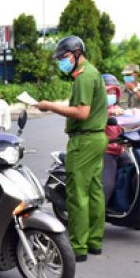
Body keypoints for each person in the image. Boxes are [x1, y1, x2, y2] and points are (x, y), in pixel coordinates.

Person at [35, 35, 107, 261]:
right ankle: (94, 241)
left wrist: (51, 106)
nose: (62, 62)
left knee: (77, 194)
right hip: (96, 138)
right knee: (94, 190)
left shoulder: (84, 77)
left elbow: (82, 113)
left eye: (64, 57)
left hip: (84, 141)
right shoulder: (92, 73)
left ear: (77, 53)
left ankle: (78, 246)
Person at [102, 74, 126, 203]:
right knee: (107, 185)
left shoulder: (116, 109)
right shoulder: (94, 109)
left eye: (113, 91)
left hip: (120, 151)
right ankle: (96, 216)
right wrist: (108, 113)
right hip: (105, 152)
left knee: (137, 172)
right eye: (108, 91)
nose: (111, 94)